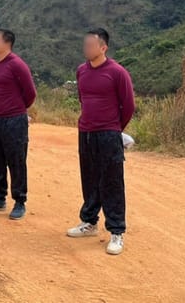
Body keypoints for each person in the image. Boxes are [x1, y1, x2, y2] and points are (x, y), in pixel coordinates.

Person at [66, 28, 135, 256]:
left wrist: (115, 129)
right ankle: (89, 222)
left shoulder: (117, 73)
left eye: (91, 45)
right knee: (89, 177)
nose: (86, 49)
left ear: (103, 48)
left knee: (112, 181)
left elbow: (128, 106)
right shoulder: (81, 71)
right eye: (85, 45)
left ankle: (116, 231)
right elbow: (82, 99)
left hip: (108, 134)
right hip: (85, 132)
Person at [0, 29, 36, 220]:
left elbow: (30, 93)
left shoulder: (17, 65)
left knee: (16, 160)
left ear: (7, 43)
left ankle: (20, 201)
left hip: (15, 120)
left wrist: (17, 110)